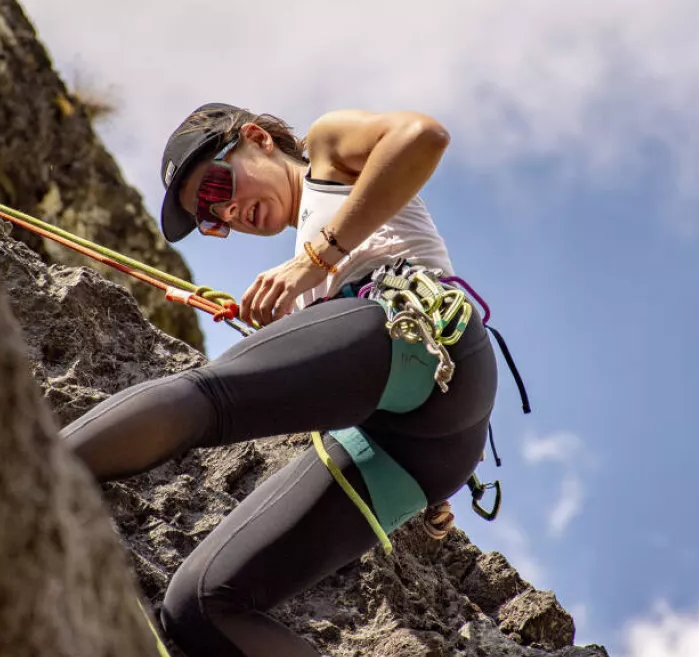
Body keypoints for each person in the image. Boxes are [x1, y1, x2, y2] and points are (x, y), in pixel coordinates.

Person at [59, 102, 500, 657]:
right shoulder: (313, 283)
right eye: (212, 217)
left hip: (417, 328)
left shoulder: (327, 150)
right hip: (426, 448)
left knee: (209, 395)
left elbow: (423, 136)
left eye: (218, 186)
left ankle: (25, 475)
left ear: (256, 138)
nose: (229, 212)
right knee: (201, 606)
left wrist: (315, 259)